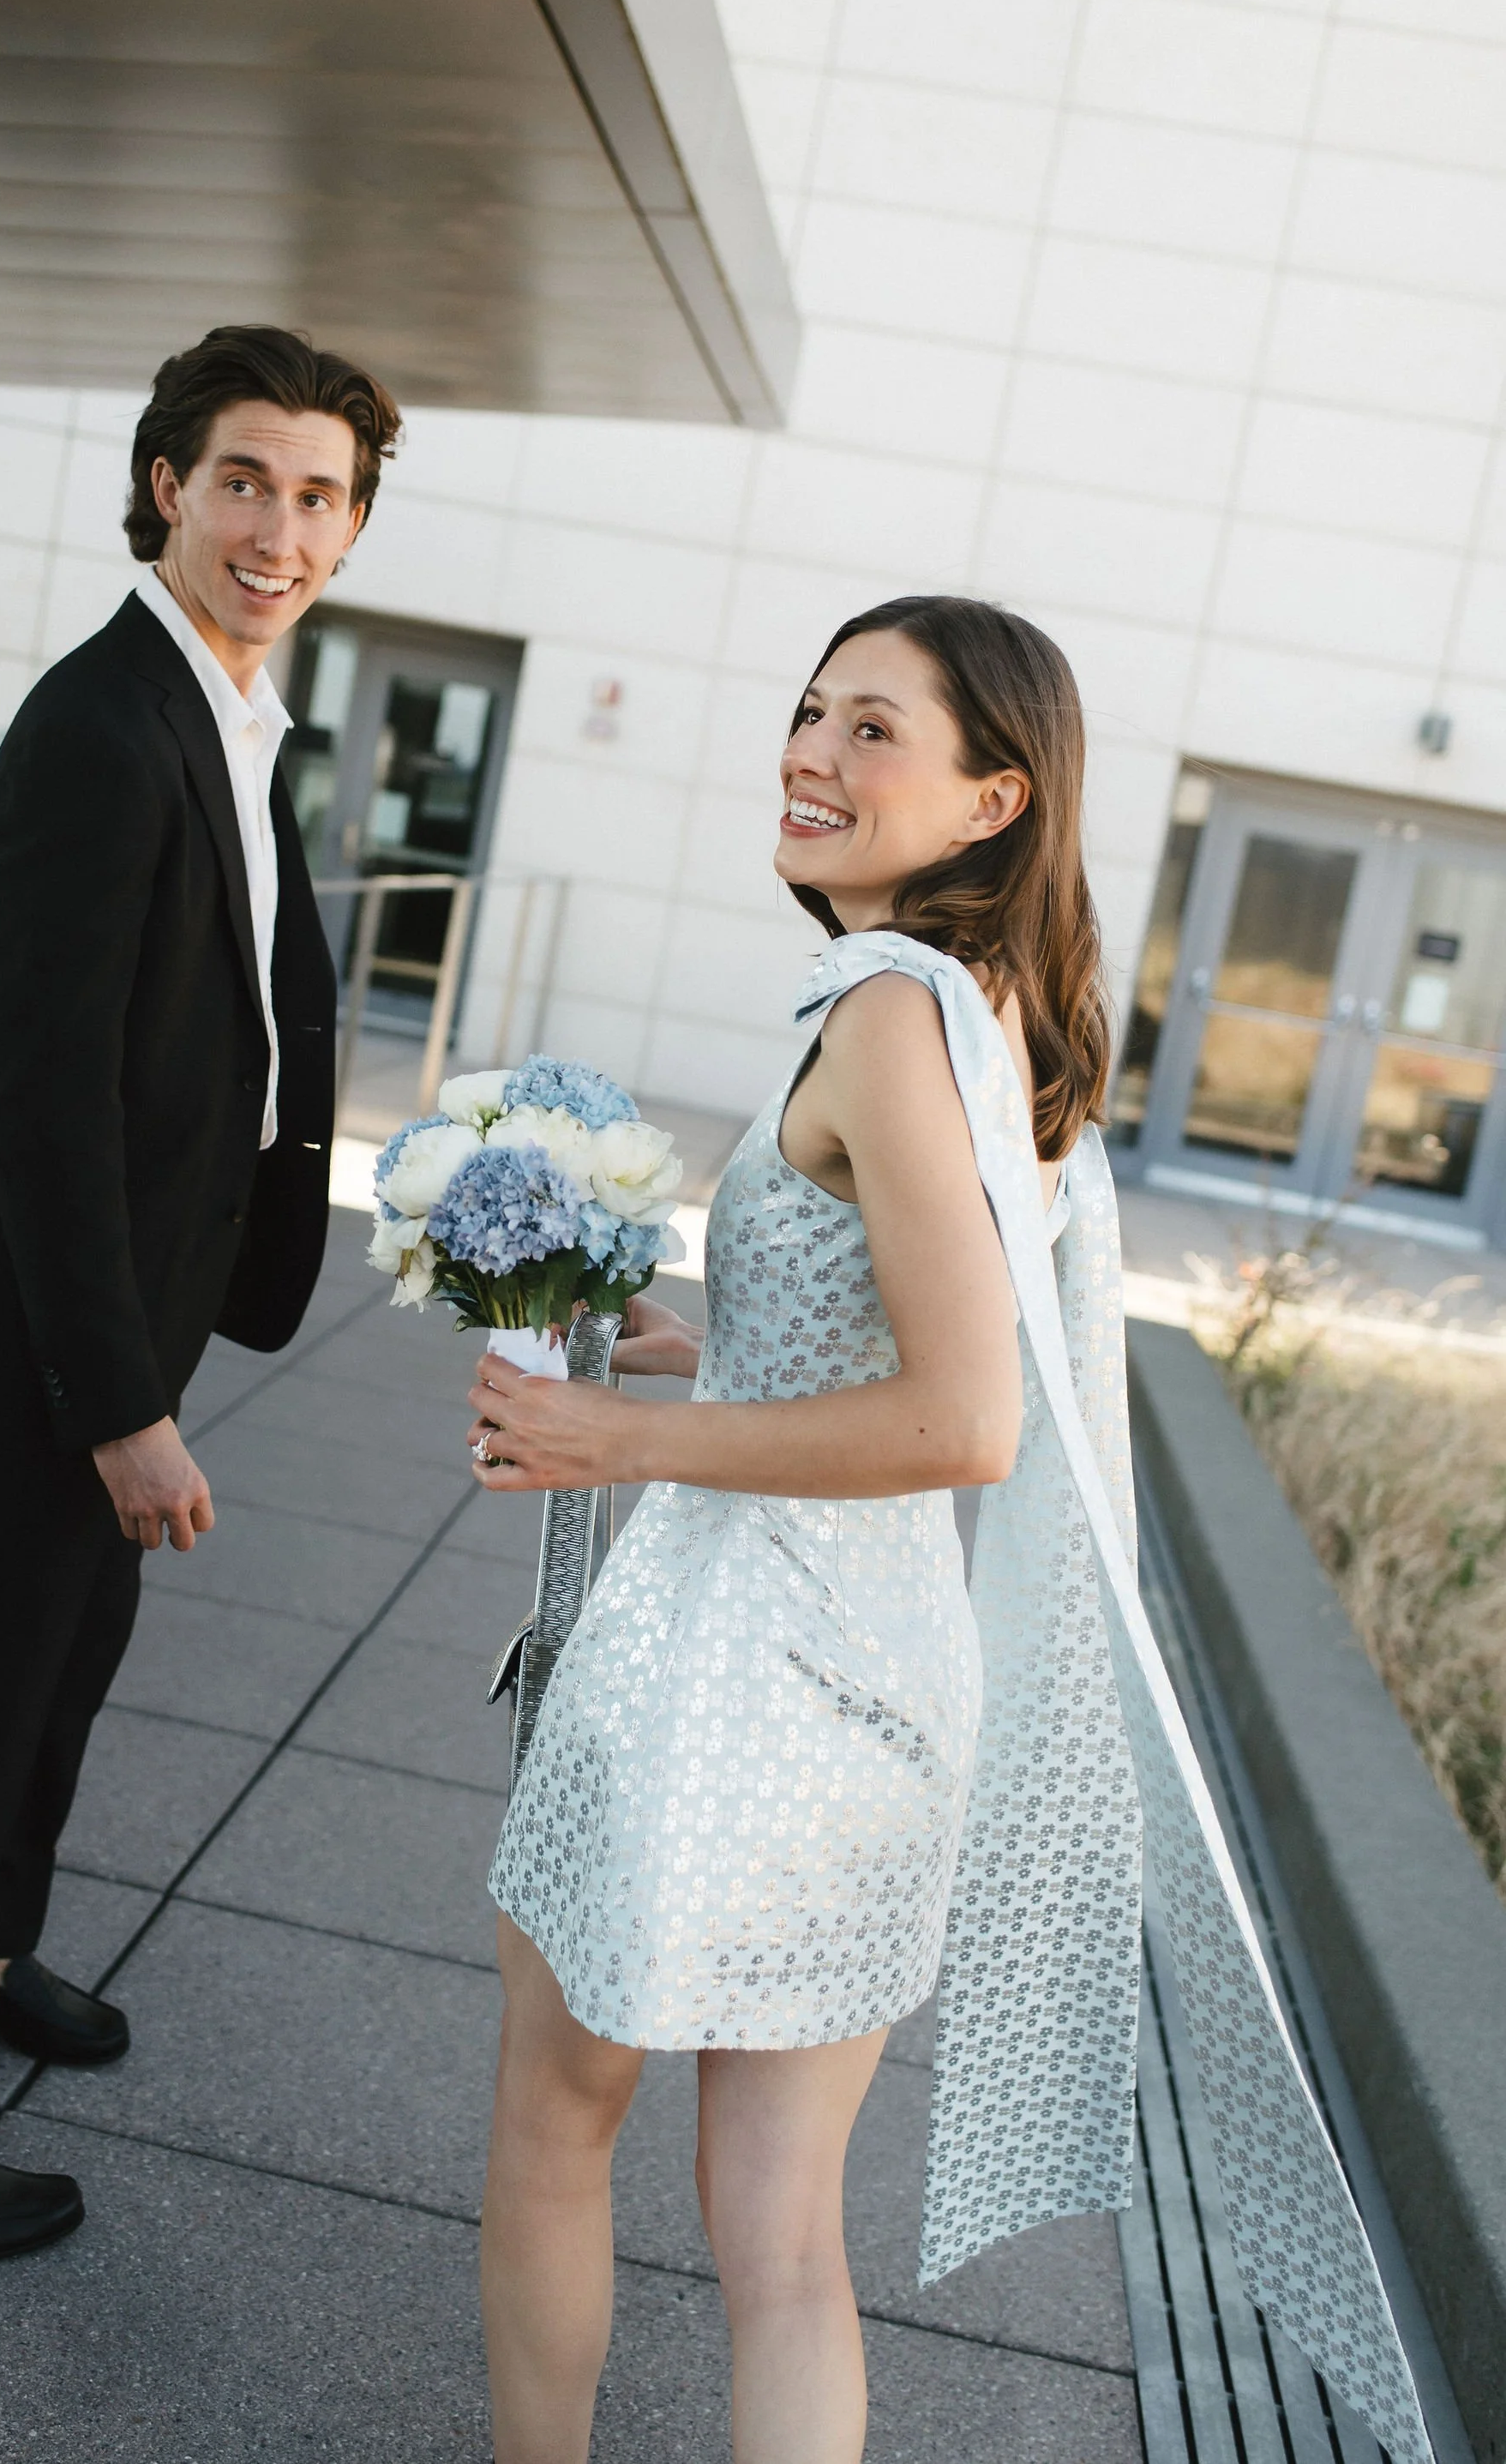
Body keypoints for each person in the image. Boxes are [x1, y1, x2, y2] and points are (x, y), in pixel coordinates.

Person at [463, 598, 1431, 2464]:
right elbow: (897, 1332)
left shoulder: (888, 1012)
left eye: (873, 730)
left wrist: (622, 1430)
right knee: (782, 2243)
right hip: (889, 1700)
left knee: (547, 2130)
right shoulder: (993, 1018)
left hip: (726, 1681)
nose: (812, 752)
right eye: (809, 707)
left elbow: (962, 1420)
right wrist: (692, 1339)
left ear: (995, 798)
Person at [0, 324, 400, 2264]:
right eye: (241, 482)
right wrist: (123, 1404)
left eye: (316, 494)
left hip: (144, 1296)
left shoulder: (225, 704)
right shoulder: (100, 721)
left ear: (351, 524)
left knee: (61, 1668)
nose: (276, 526)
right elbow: (37, 1096)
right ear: (166, 486)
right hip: (61, 1325)